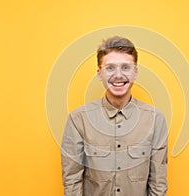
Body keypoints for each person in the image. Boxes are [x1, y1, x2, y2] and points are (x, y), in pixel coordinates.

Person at [61, 36, 168, 196]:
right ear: (99, 73)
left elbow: (158, 184)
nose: (118, 75)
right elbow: (71, 182)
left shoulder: (155, 119)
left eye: (125, 67)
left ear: (135, 72)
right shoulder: (78, 119)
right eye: (110, 68)